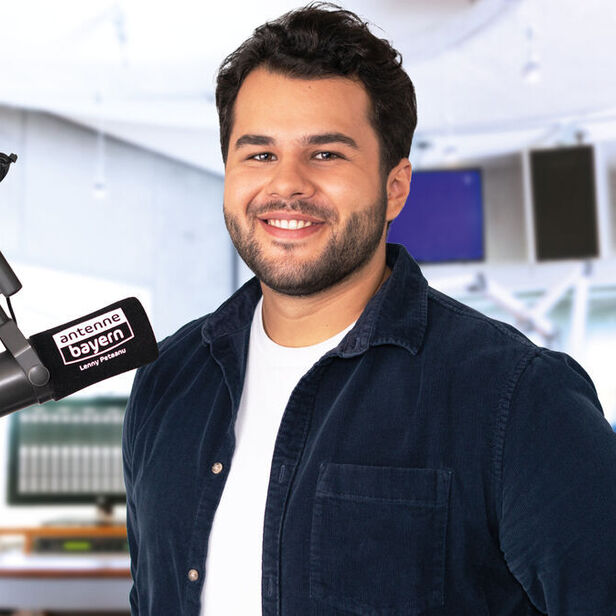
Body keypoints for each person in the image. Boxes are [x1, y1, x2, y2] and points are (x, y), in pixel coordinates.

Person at [122, 3, 616, 615]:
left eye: (326, 154)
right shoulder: (167, 379)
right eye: (259, 154)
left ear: (395, 187)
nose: (287, 184)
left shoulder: (515, 398)